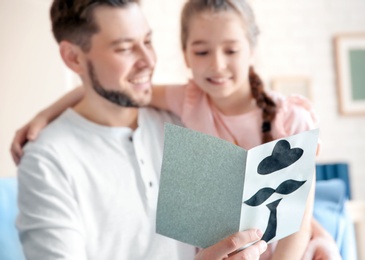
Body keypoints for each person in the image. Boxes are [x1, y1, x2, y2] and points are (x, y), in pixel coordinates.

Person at [11, 0, 342, 259]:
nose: (147, 61)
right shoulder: (46, 161)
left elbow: (280, 207)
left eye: (148, 41)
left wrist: (320, 233)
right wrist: (47, 114)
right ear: (73, 58)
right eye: (125, 47)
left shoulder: (176, 120)